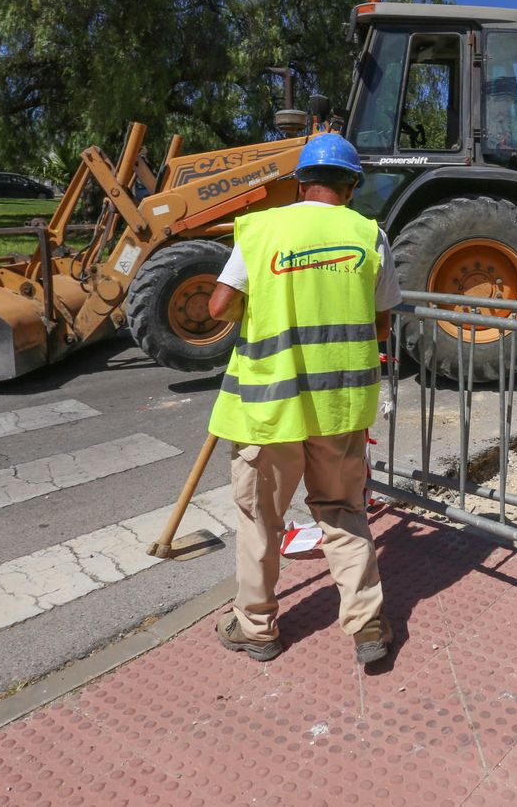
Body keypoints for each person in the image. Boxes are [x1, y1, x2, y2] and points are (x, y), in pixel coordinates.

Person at [206, 131, 402, 665]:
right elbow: (381, 325)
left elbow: (219, 306)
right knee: (342, 511)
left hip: (270, 407)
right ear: (351, 186)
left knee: (259, 520)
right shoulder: (369, 235)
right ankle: (366, 628)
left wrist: (267, 308)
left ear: (300, 182)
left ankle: (257, 628)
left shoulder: (262, 228)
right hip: (340, 404)